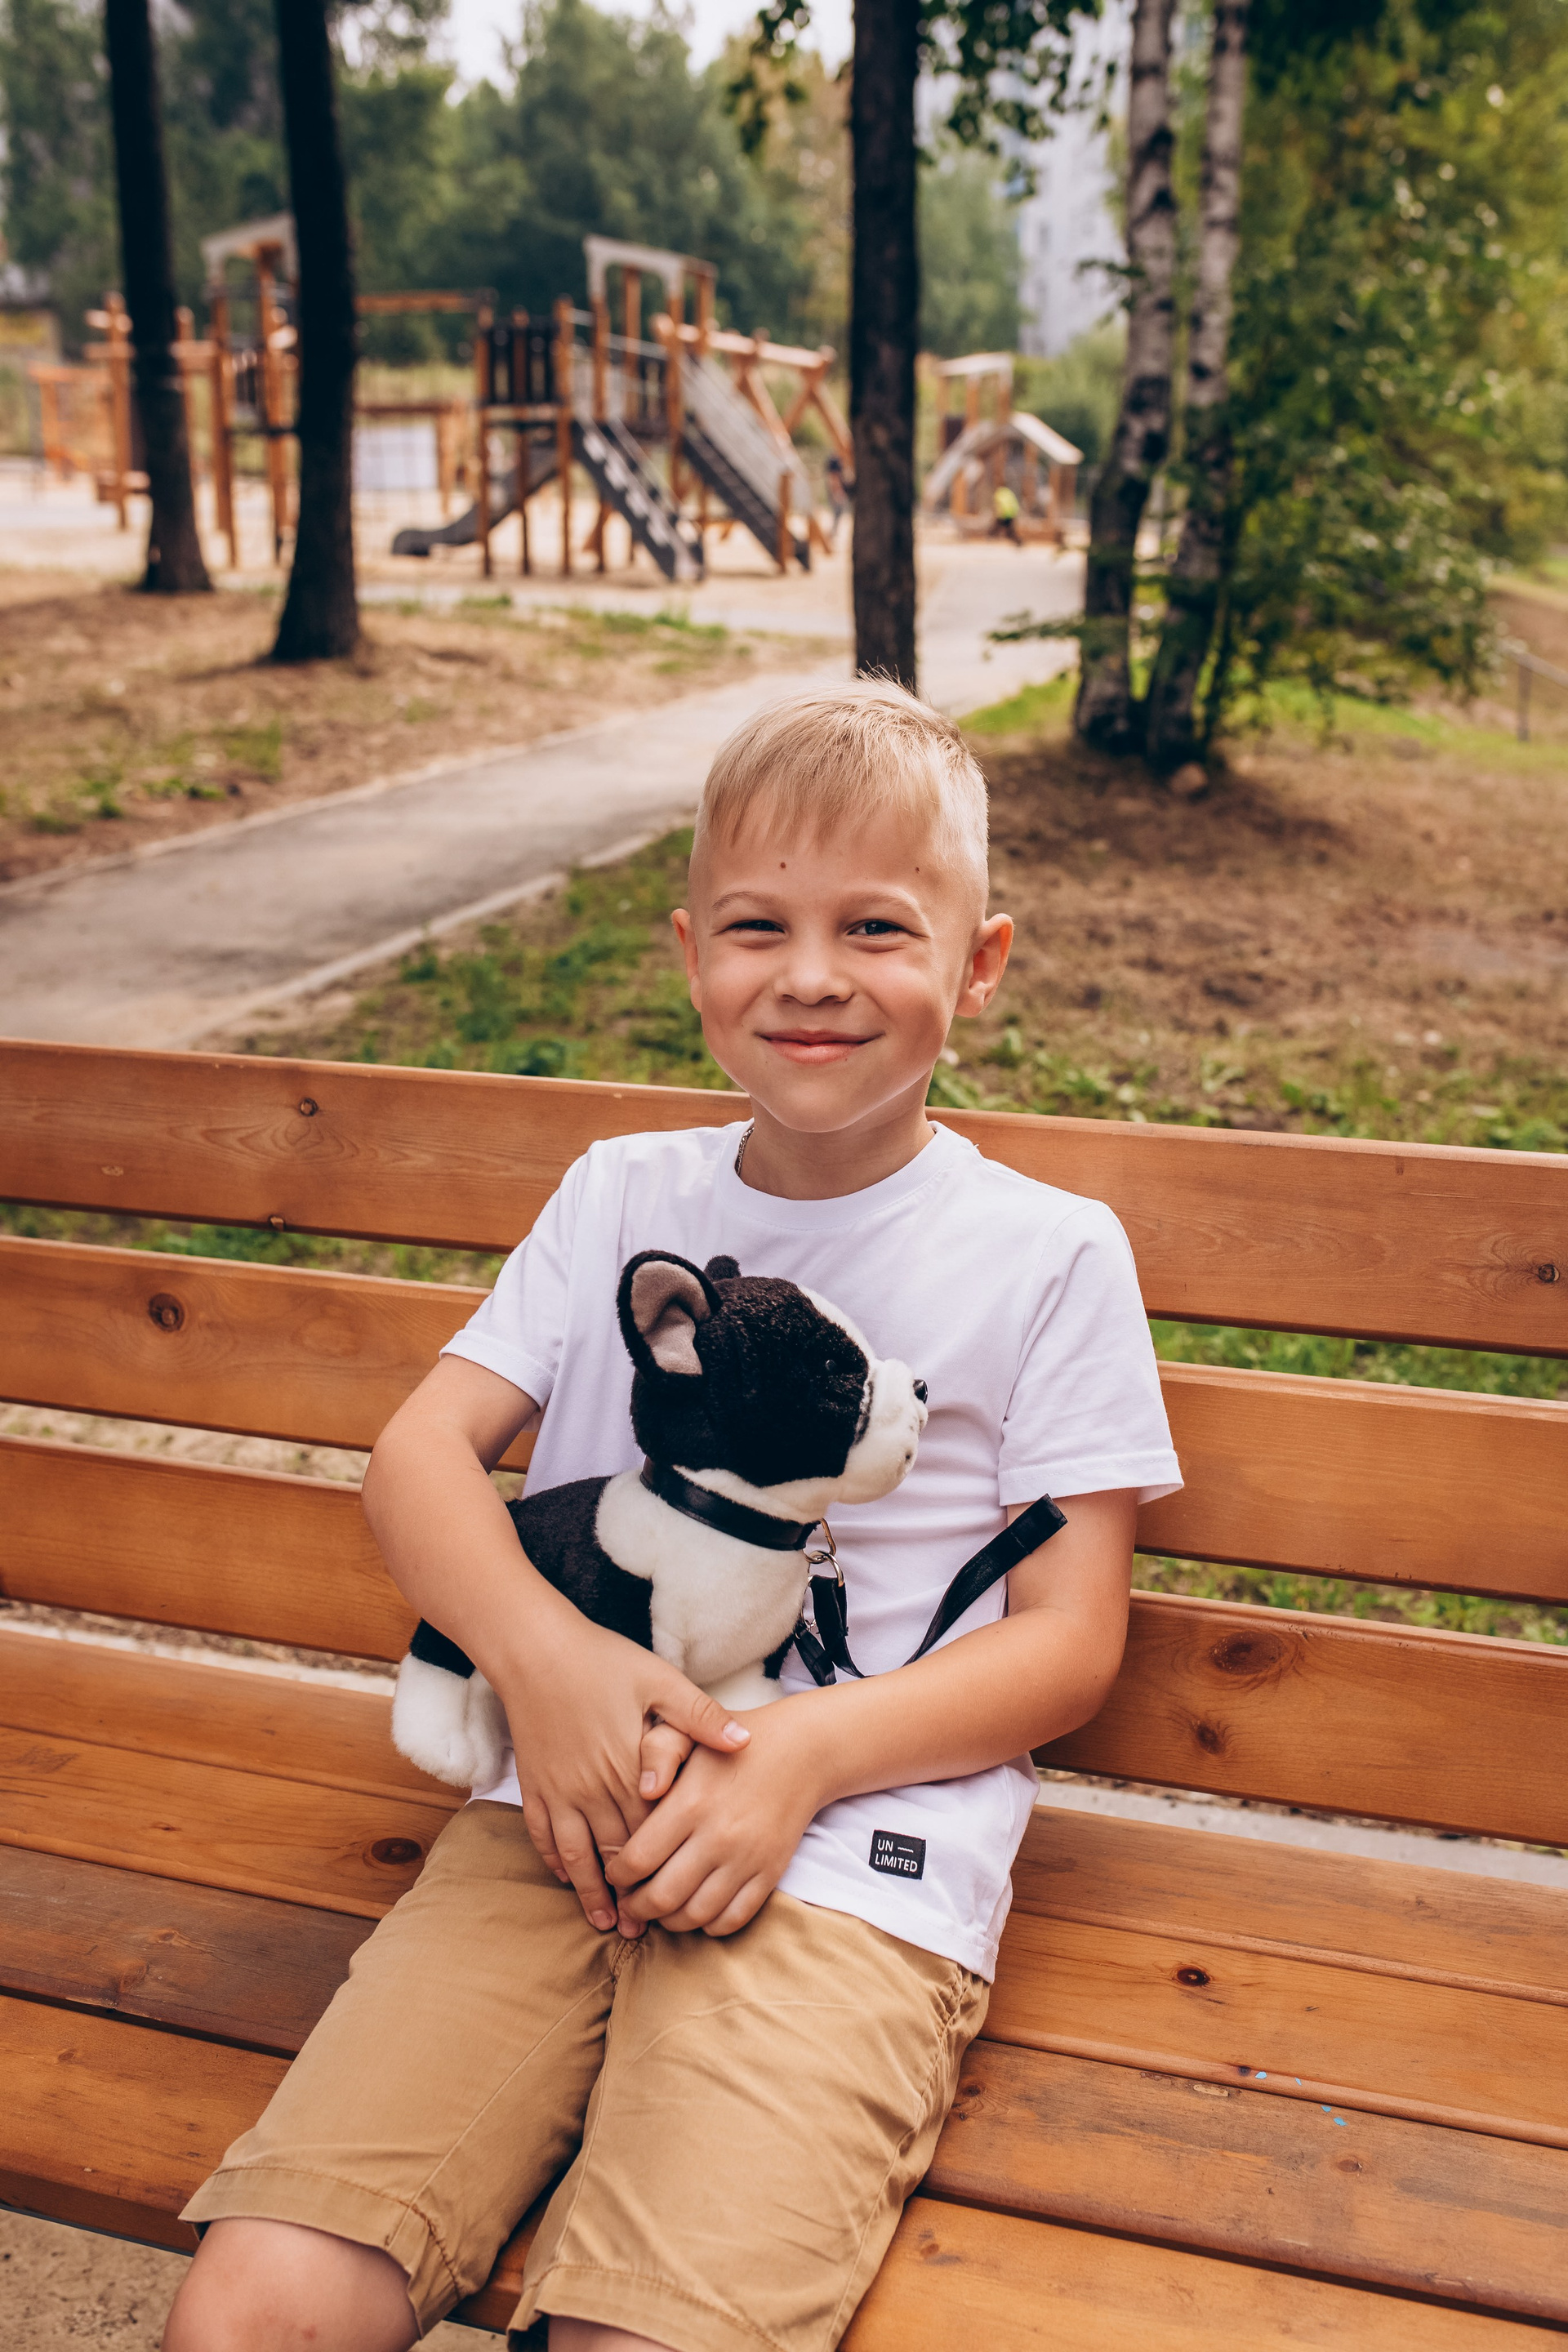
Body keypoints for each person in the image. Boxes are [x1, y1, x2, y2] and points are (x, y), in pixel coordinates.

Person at [163, 680, 1180, 2352]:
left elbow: (1069, 1643)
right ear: (692, 952)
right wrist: (546, 1665)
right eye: (759, 926)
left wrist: (800, 1757)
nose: (811, 975)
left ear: (980, 962)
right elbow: (419, 1458)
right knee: (256, 2308)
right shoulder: (618, 1197)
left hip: (850, 1867)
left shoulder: (1053, 1253)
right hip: (550, 1824)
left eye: (876, 926)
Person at [823, 450, 853, 550]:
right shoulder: (836, 460)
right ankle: (831, 536)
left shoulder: (837, 459)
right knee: (837, 513)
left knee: (838, 514)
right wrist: (837, 492)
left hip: (836, 490)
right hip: (836, 491)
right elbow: (834, 478)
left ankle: (832, 535)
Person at [989, 480, 1022, 545]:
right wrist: (1015, 512)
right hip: (1010, 513)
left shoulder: (999, 492)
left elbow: (998, 504)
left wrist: (997, 513)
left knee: (996, 528)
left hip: (1002, 514)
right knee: (1010, 530)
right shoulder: (1009, 492)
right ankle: (1018, 541)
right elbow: (1014, 503)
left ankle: (990, 539)